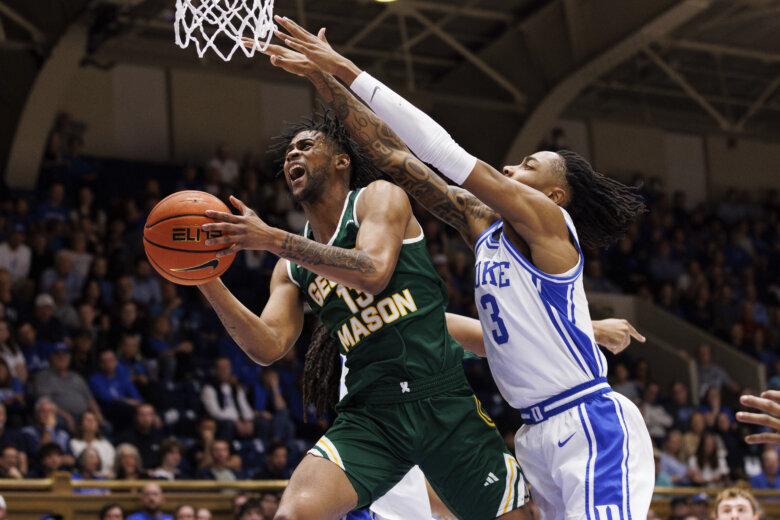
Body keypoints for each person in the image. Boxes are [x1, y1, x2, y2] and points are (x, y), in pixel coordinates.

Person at [265, 18, 653, 520]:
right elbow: (391, 154)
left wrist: (346, 68)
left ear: (554, 195)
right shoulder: (481, 225)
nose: (510, 169)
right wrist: (323, 81)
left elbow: (441, 151)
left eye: (528, 167)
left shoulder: (550, 222)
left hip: (588, 419)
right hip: (534, 433)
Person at [196, 112, 531, 518]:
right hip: (372, 414)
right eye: (288, 154)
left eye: (305, 146)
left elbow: (373, 272)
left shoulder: (378, 197)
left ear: (342, 161)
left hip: (441, 401)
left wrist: (271, 238)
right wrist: (204, 278)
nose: (292, 155)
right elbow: (268, 346)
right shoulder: (289, 267)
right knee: (292, 514)